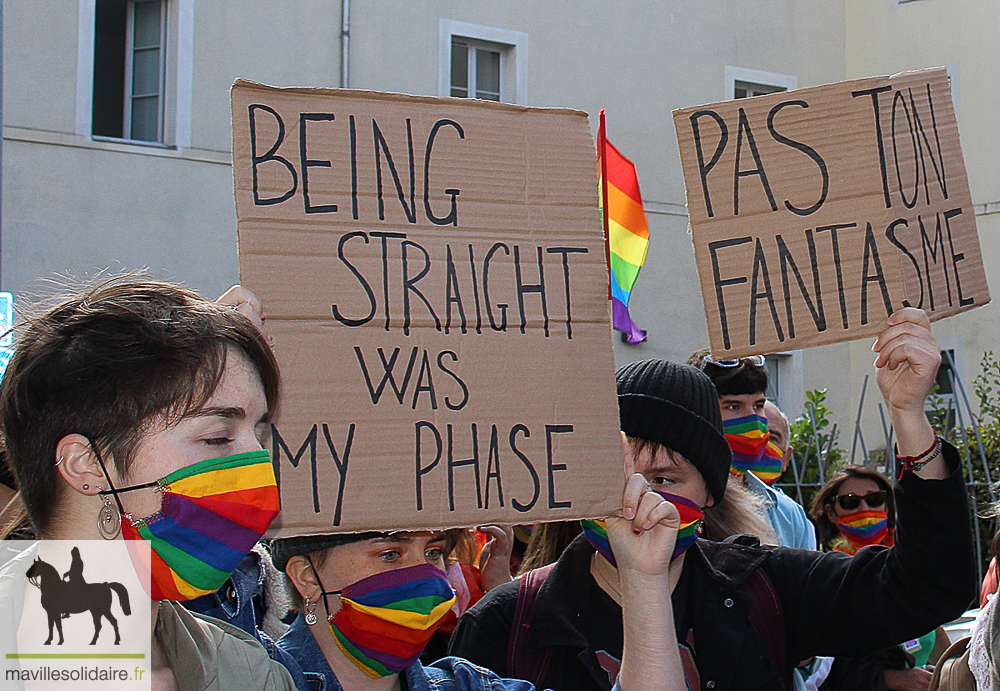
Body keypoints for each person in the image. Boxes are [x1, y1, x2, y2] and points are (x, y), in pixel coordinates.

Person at [449, 308, 977, 691]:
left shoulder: (765, 590)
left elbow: (927, 587)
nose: (638, 503)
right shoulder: (505, 626)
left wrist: (909, 416)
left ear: (708, 495)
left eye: (666, 480)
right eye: (619, 478)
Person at [0, 277, 296, 691]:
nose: (258, 470)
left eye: (261, 439)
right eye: (217, 438)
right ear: (88, 466)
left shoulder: (252, 674)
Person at [269, 478, 688, 691]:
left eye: (433, 552)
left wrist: (643, 577)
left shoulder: (464, 685)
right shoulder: (247, 680)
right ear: (308, 577)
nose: (424, 576)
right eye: (390, 555)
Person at [810, 468, 949, 691]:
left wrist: (955, 670)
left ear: (886, 505)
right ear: (831, 513)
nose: (865, 509)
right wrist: (891, 678)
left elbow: (933, 630)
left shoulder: (908, 564)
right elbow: (823, 668)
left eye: (874, 499)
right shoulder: (826, 578)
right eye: (850, 502)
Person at [687, 351, 818, 550]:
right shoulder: (678, 502)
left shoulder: (787, 513)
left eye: (758, 405)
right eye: (733, 406)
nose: (753, 420)